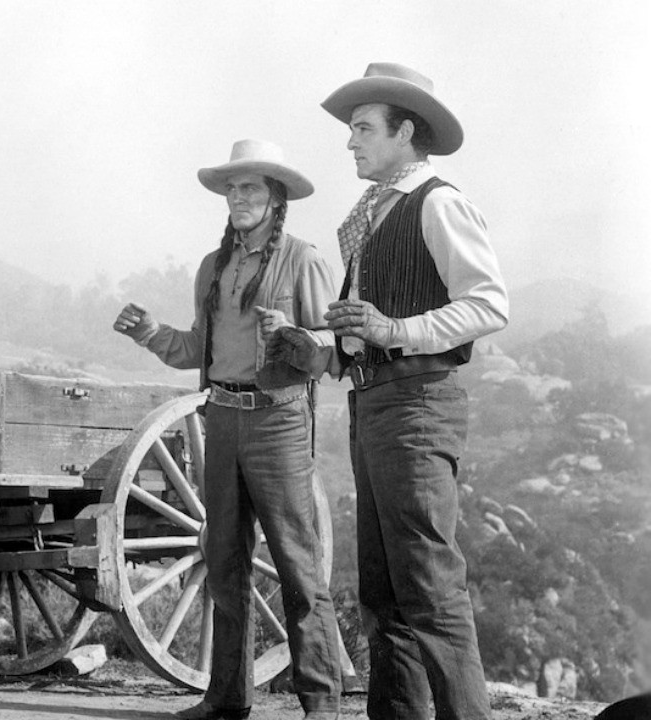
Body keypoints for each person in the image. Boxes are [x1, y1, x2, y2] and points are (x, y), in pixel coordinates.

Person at [114, 139, 341, 720]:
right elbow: (197, 349)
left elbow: (331, 354)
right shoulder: (213, 267)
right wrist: (147, 332)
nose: (239, 198)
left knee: (297, 564)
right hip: (221, 418)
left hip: (279, 422)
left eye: (252, 188)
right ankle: (226, 700)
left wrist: (291, 331)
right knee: (223, 559)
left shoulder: (305, 260)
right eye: (233, 189)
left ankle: (321, 705)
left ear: (276, 198)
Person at [320, 62, 509, 720]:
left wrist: (393, 328)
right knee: (385, 594)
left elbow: (487, 304)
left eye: (364, 129)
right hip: (371, 404)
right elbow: (371, 326)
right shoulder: (372, 213)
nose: (351, 142)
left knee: (428, 587)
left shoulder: (439, 202)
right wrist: (326, 347)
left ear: (406, 132)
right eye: (351, 130)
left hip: (418, 407)